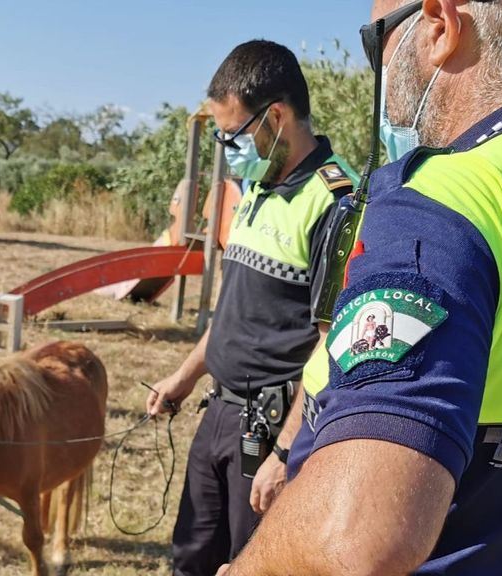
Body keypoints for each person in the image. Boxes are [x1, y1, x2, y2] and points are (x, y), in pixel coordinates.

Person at [222, 1, 502, 575]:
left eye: (377, 41)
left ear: (441, 25)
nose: (380, 70)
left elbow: (357, 537)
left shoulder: (442, 204)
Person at [144, 39, 359, 575]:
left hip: (272, 428)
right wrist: (185, 376)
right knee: (191, 556)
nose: (226, 149)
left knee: (254, 565)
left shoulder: (337, 203)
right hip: (219, 412)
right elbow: (233, 310)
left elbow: (333, 344)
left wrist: (286, 452)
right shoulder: (257, 189)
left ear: (277, 117)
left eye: (233, 135)